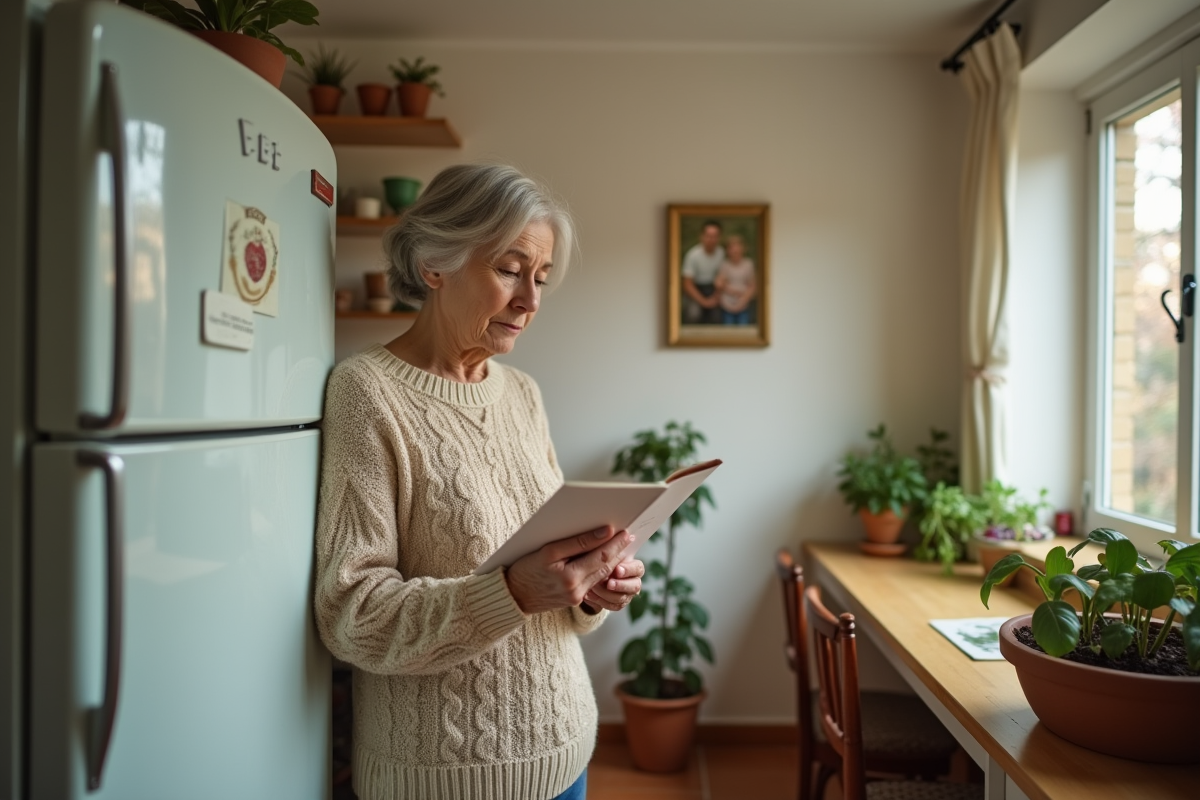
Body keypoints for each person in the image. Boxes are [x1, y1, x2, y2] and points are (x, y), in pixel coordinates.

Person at [314, 163, 645, 800]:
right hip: (444, 777)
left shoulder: (522, 393)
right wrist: (510, 594)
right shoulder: (366, 395)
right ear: (435, 263)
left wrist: (591, 587)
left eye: (541, 278)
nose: (531, 301)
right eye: (509, 270)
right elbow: (350, 614)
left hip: (565, 749)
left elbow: (552, 571)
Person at [680, 220, 724, 324]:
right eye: (708, 236)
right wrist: (704, 302)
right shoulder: (692, 255)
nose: (711, 240)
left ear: (719, 237)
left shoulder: (722, 253)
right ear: (702, 236)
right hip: (696, 290)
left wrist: (716, 296)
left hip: (715, 290)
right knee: (693, 314)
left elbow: (724, 278)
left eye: (715, 236)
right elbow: (687, 284)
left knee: (718, 316)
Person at [713, 234, 757, 325]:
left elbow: (752, 285)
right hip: (727, 304)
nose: (735, 250)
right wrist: (734, 292)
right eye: (732, 247)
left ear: (743, 248)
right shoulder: (725, 265)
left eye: (738, 247)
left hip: (744, 304)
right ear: (727, 250)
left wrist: (744, 299)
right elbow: (719, 283)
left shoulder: (748, 264)